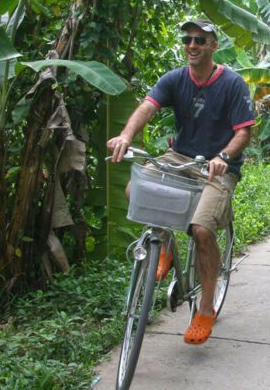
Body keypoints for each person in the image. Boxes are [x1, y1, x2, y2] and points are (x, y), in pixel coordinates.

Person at [107, 19, 254, 345]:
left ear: (213, 46)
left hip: (219, 166)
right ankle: (164, 244)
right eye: (188, 39)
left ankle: (205, 308)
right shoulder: (175, 78)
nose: (192, 45)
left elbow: (244, 131)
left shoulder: (232, 84)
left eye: (200, 40)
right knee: (136, 190)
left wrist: (224, 157)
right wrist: (125, 135)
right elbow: (148, 106)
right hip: (181, 157)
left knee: (201, 230)